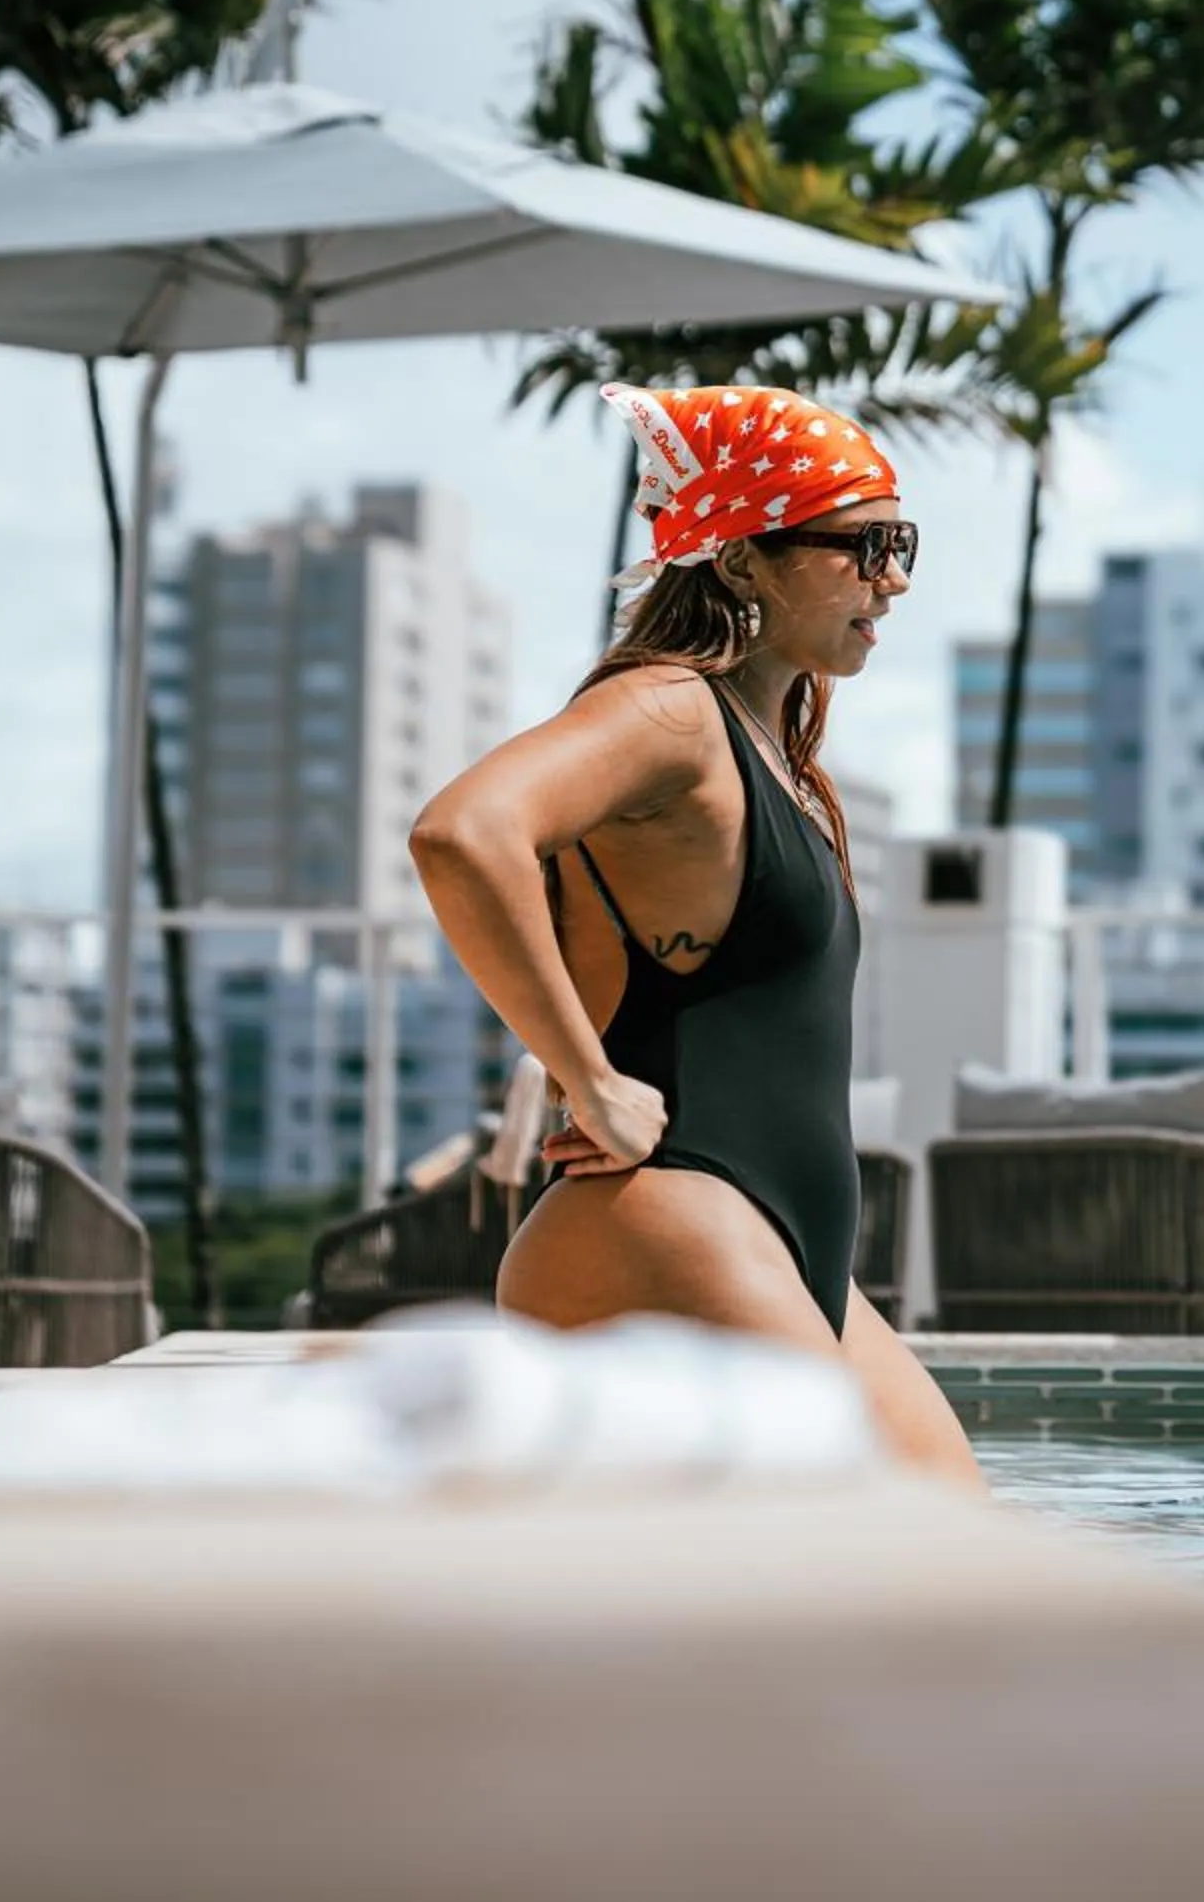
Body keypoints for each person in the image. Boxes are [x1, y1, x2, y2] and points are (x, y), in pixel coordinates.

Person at [410, 381, 979, 1488]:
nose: (894, 579)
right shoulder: (669, 711)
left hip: (774, 1237)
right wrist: (590, 1077)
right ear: (740, 560)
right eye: (863, 547)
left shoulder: (776, 750)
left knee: (959, 1546)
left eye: (902, 544)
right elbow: (462, 834)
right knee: (900, 1564)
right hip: (665, 1218)